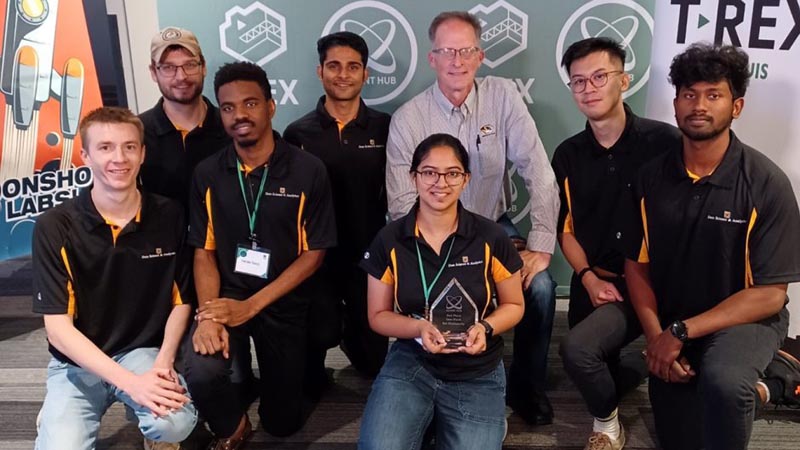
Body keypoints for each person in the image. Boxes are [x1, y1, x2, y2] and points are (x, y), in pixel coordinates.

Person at [385, 10, 559, 424]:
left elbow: (539, 171)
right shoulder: (409, 117)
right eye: (447, 51)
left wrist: (540, 245)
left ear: (480, 56)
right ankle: (428, 383)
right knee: (432, 291)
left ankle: (526, 387)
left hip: (493, 227)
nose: (457, 61)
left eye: (466, 51)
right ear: (432, 58)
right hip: (432, 234)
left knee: (541, 288)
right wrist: (447, 251)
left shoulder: (503, 96)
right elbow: (401, 203)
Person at [624, 43, 800, 450]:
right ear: (675, 105)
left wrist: (680, 332)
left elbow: (771, 295)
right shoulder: (650, 177)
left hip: (745, 321)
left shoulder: (766, 184)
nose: (699, 105)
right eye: (689, 94)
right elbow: (637, 266)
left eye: (713, 95)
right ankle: (771, 381)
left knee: (725, 385)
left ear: (736, 107)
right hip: (675, 319)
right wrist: (656, 336)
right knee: (681, 439)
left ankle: (767, 375)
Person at [182, 62, 337, 449]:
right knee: (201, 369)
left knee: (282, 424)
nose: (239, 115)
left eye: (250, 103)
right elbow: (203, 251)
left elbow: (314, 254)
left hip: (284, 298)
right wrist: (208, 316)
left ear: (270, 106)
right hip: (228, 293)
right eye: (228, 107)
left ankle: (294, 377)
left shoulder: (308, 170)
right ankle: (233, 424)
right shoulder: (207, 173)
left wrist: (250, 307)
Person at [31, 107, 197, 450]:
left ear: (142, 153)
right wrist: (133, 385)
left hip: (141, 353)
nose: (119, 158)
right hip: (78, 361)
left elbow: (182, 301)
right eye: (105, 147)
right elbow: (58, 330)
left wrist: (164, 362)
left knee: (176, 423)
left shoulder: (169, 214)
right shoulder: (55, 226)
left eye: (129, 147)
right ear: (85, 156)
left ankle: (152, 429)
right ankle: (57, 411)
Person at [552, 38, 680, 450]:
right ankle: (609, 419)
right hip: (598, 283)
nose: (588, 88)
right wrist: (587, 278)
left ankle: (631, 392)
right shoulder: (567, 154)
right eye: (578, 81)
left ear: (623, 81)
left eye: (599, 77)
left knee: (682, 397)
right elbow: (565, 229)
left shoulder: (665, 143)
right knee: (581, 358)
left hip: (656, 284)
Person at [358, 133, 524, 450]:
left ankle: (451, 420)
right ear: (414, 177)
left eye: (452, 173)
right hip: (413, 360)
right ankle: (428, 419)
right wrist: (418, 328)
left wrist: (485, 327)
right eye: (429, 172)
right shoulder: (389, 239)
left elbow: (514, 304)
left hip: (477, 368)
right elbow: (377, 315)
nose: (440, 183)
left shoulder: (491, 236)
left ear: (466, 179)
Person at [284, 31, 391, 388]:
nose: (343, 74)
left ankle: (354, 335)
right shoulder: (297, 133)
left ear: (365, 73)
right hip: (317, 258)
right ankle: (325, 342)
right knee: (319, 336)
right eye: (334, 66)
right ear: (320, 72)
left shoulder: (386, 127)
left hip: (369, 256)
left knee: (373, 364)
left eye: (352, 67)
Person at [139, 27, 229, 212]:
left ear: (203, 67)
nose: (181, 77)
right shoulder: (136, 133)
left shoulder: (231, 127)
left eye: (190, 65)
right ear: (153, 72)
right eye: (168, 67)